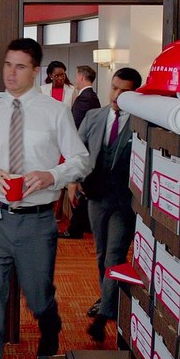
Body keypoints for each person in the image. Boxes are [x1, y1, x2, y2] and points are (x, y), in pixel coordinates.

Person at [0, 38, 90, 359]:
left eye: (20, 67)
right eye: (8, 65)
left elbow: (82, 160)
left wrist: (52, 175)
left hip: (37, 222)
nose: (11, 73)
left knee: (38, 297)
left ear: (36, 71)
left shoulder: (55, 112)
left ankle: (50, 323)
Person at [67, 67, 142, 342]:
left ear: (135, 94)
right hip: (96, 195)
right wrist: (73, 181)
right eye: (114, 88)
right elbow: (78, 151)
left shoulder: (143, 124)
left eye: (125, 91)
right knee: (101, 254)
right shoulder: (94, 116)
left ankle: (105, 314)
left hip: (125, 201)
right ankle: (108, 298)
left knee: (114, 255)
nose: (117, 95)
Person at [62, 65, 102, 239]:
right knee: (84, 190)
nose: (75, 79)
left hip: (83, 151)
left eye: (76, 75)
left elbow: (77, 129)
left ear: (81, 77)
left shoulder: (83, 99)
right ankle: (82, 225)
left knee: (79, 190)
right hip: (91, 151)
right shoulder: (93, 97)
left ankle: (75, 228)